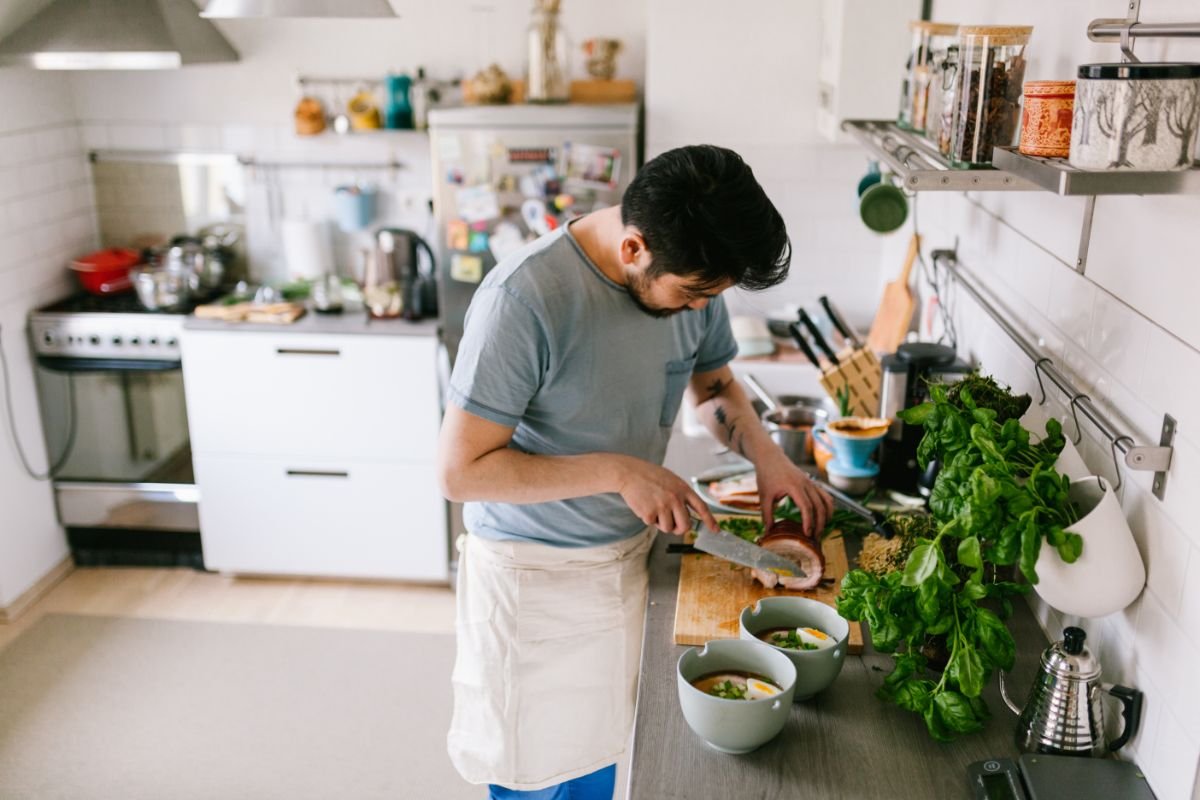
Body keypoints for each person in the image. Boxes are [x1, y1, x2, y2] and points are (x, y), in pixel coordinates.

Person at [438, 144, 833, 799]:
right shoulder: (525, 298)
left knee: (602, 759)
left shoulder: (693, 283)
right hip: (531, 582)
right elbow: (460, 472)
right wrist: (619, 471)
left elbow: (714, 387)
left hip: (626, 565)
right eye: (693, 294)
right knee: (532, 774)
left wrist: (769, 460)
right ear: (633, 249)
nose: (699, 308)